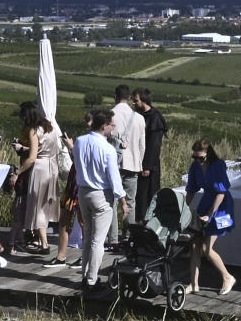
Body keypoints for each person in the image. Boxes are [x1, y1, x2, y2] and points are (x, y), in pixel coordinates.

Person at [74, 108, 125, 287]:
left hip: (83, 191)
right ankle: (92, 279)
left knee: (88, 236)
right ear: (104, 126)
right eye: (112, 125)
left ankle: (85, 275)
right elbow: (114, 177)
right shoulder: (108, 149)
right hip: (101, 194)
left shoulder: (79, 141)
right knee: (98, 240)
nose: (113, 128)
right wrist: (123, 201)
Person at [185, 138, 236, 294]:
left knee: (206, 249)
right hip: (206, 202)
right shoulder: (195, 167)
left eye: (201, 158)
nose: (198, 160)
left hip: (221, 206)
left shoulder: (218, 165)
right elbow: (191, 190)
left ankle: (227, 277)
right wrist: (183, 208)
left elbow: (221, 192)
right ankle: (193, 284)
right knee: (195, 245)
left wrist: (209, 214)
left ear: (209, 154)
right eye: (195, 157)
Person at [14, 102, 62, 254]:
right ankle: (42, 241)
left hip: (40, 168)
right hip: (52, 167)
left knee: (37, 206)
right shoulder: (50, 128)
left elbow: (32, 158)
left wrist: (17, 172)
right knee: (46, 205)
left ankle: (44, 244)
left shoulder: (34, 131)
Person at [110, 84, 145, 230]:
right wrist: (139, 162)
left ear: (115, 96)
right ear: (129, 98)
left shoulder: (109, 115)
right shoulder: (139, 118)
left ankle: (113, 237)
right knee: (130, 201)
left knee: (111, 202)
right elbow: (142, 146)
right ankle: (129, 234)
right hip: (133, 165)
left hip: (113, 165)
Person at [134, 88, 168, 223]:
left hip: (148, 165)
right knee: (139, 197)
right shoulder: (140, 115)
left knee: (146, 197)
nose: (134, 103)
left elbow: (154, 145)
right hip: (138, 162)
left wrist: (147, 166)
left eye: (136, 100)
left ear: (144, 100)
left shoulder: (154, 118)